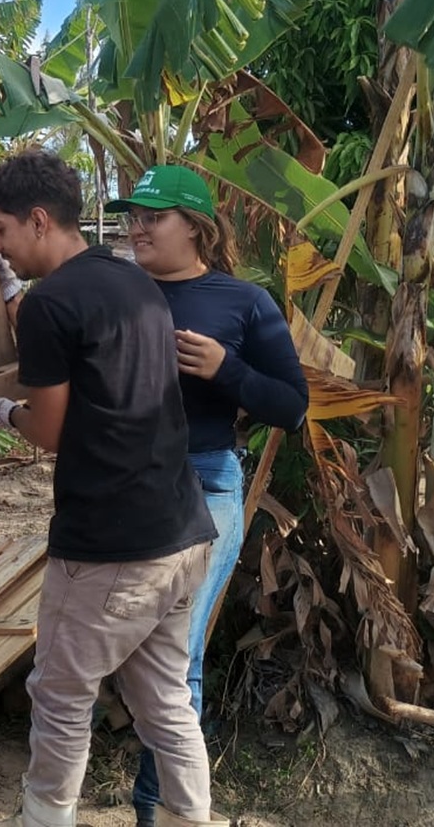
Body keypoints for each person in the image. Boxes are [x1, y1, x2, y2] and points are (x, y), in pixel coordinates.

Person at [0, 150, 224, 827]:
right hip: (181, 530)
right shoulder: (132, 280)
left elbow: (49, 429)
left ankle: (43, 819)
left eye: (0, 230)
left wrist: (4, 413)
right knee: (164, 698)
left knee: (60, 695)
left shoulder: (53, 303)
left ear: (39, 220)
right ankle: (188, 819)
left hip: (111, 544)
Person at [108, 164, 307, 827]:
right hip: (121, 486)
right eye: (132, 214)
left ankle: (159, 813)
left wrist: (230, 370)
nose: (137, 226)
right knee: (128, 653)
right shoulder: (114, 292)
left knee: (175, 649)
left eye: (153, 215)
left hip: (205, 480)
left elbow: (293, 408)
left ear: (195, 226)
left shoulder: (244, 302)